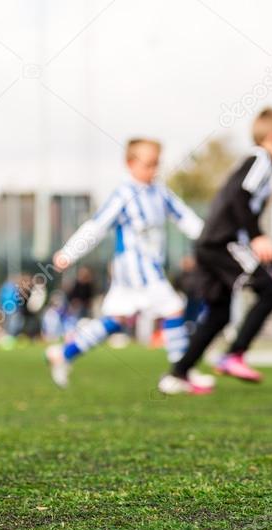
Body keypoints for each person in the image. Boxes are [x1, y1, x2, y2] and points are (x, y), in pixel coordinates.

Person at [46, 139, 213, 391]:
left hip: (146, 269)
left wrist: (215, 240)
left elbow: (186, 218)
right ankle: (180, 374)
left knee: (116, 320)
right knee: (174, 309)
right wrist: (70, 251)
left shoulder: (159, 191)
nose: (153, 169)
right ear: (130, 163)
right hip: (136, 270)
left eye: (156, 163)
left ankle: (65, 353)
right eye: (148, 164)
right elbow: (97, 226)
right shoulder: (124, 194)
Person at [165, 108, 272, 391]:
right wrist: (258, 236)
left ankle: (177, 374)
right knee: (271, 290)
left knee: (219, 314)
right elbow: (240, 197)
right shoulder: (261, 159)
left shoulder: (257, 165)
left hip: (212, 244)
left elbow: (244, 209)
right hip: (222, 244)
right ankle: (234, 354)